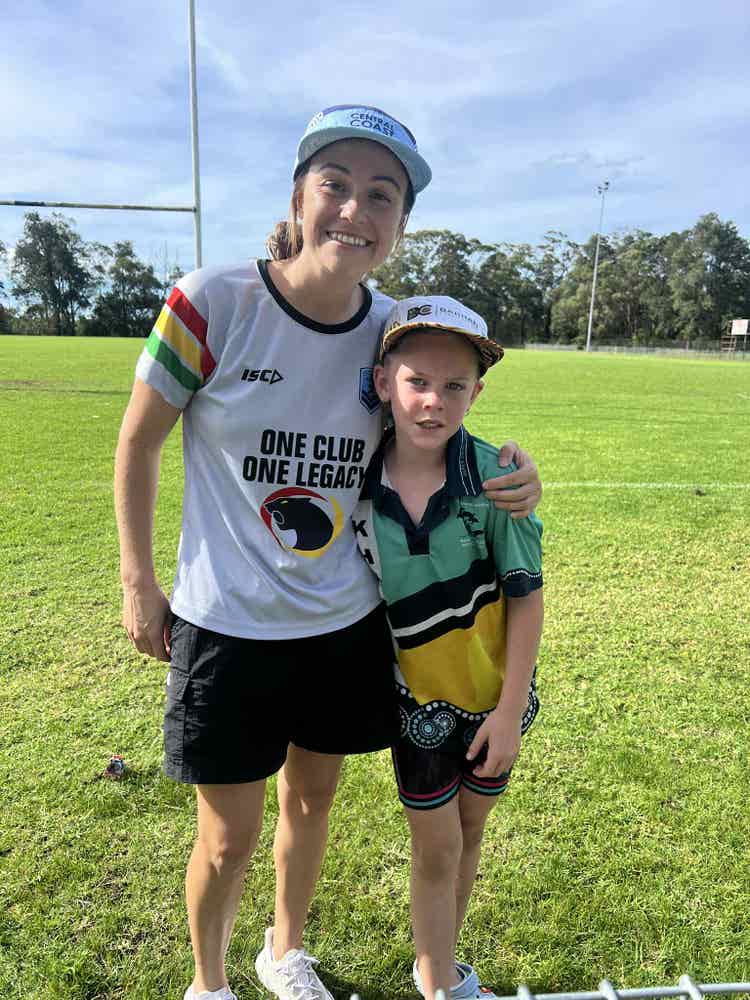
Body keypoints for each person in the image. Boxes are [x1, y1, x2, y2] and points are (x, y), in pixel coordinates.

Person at [114, 105, 542, 1000]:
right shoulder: (211, 300)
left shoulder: (391, 330)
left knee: (311, 806)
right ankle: (208, 984)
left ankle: (282, 950)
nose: (355, 208)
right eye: (335, 185)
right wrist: (139, 579)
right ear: (299, 196)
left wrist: (516, 474)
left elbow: (442, 416)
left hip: (344, 624)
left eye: (381, 195)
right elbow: (139, 442)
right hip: (225, 625)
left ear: (400, 224)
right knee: (225, 837)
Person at [353, 295, 544, 1000]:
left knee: (467, 836)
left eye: (455, 385)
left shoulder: (498, 478)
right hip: (416, 704)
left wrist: (507, 709)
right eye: (417, 382)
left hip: (495, 701)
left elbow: (526, 598)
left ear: (478, 391)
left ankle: (440, 958)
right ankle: (440, 983)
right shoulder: (356, 479)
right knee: (436, 846)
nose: (434, 402)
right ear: (383, 383)